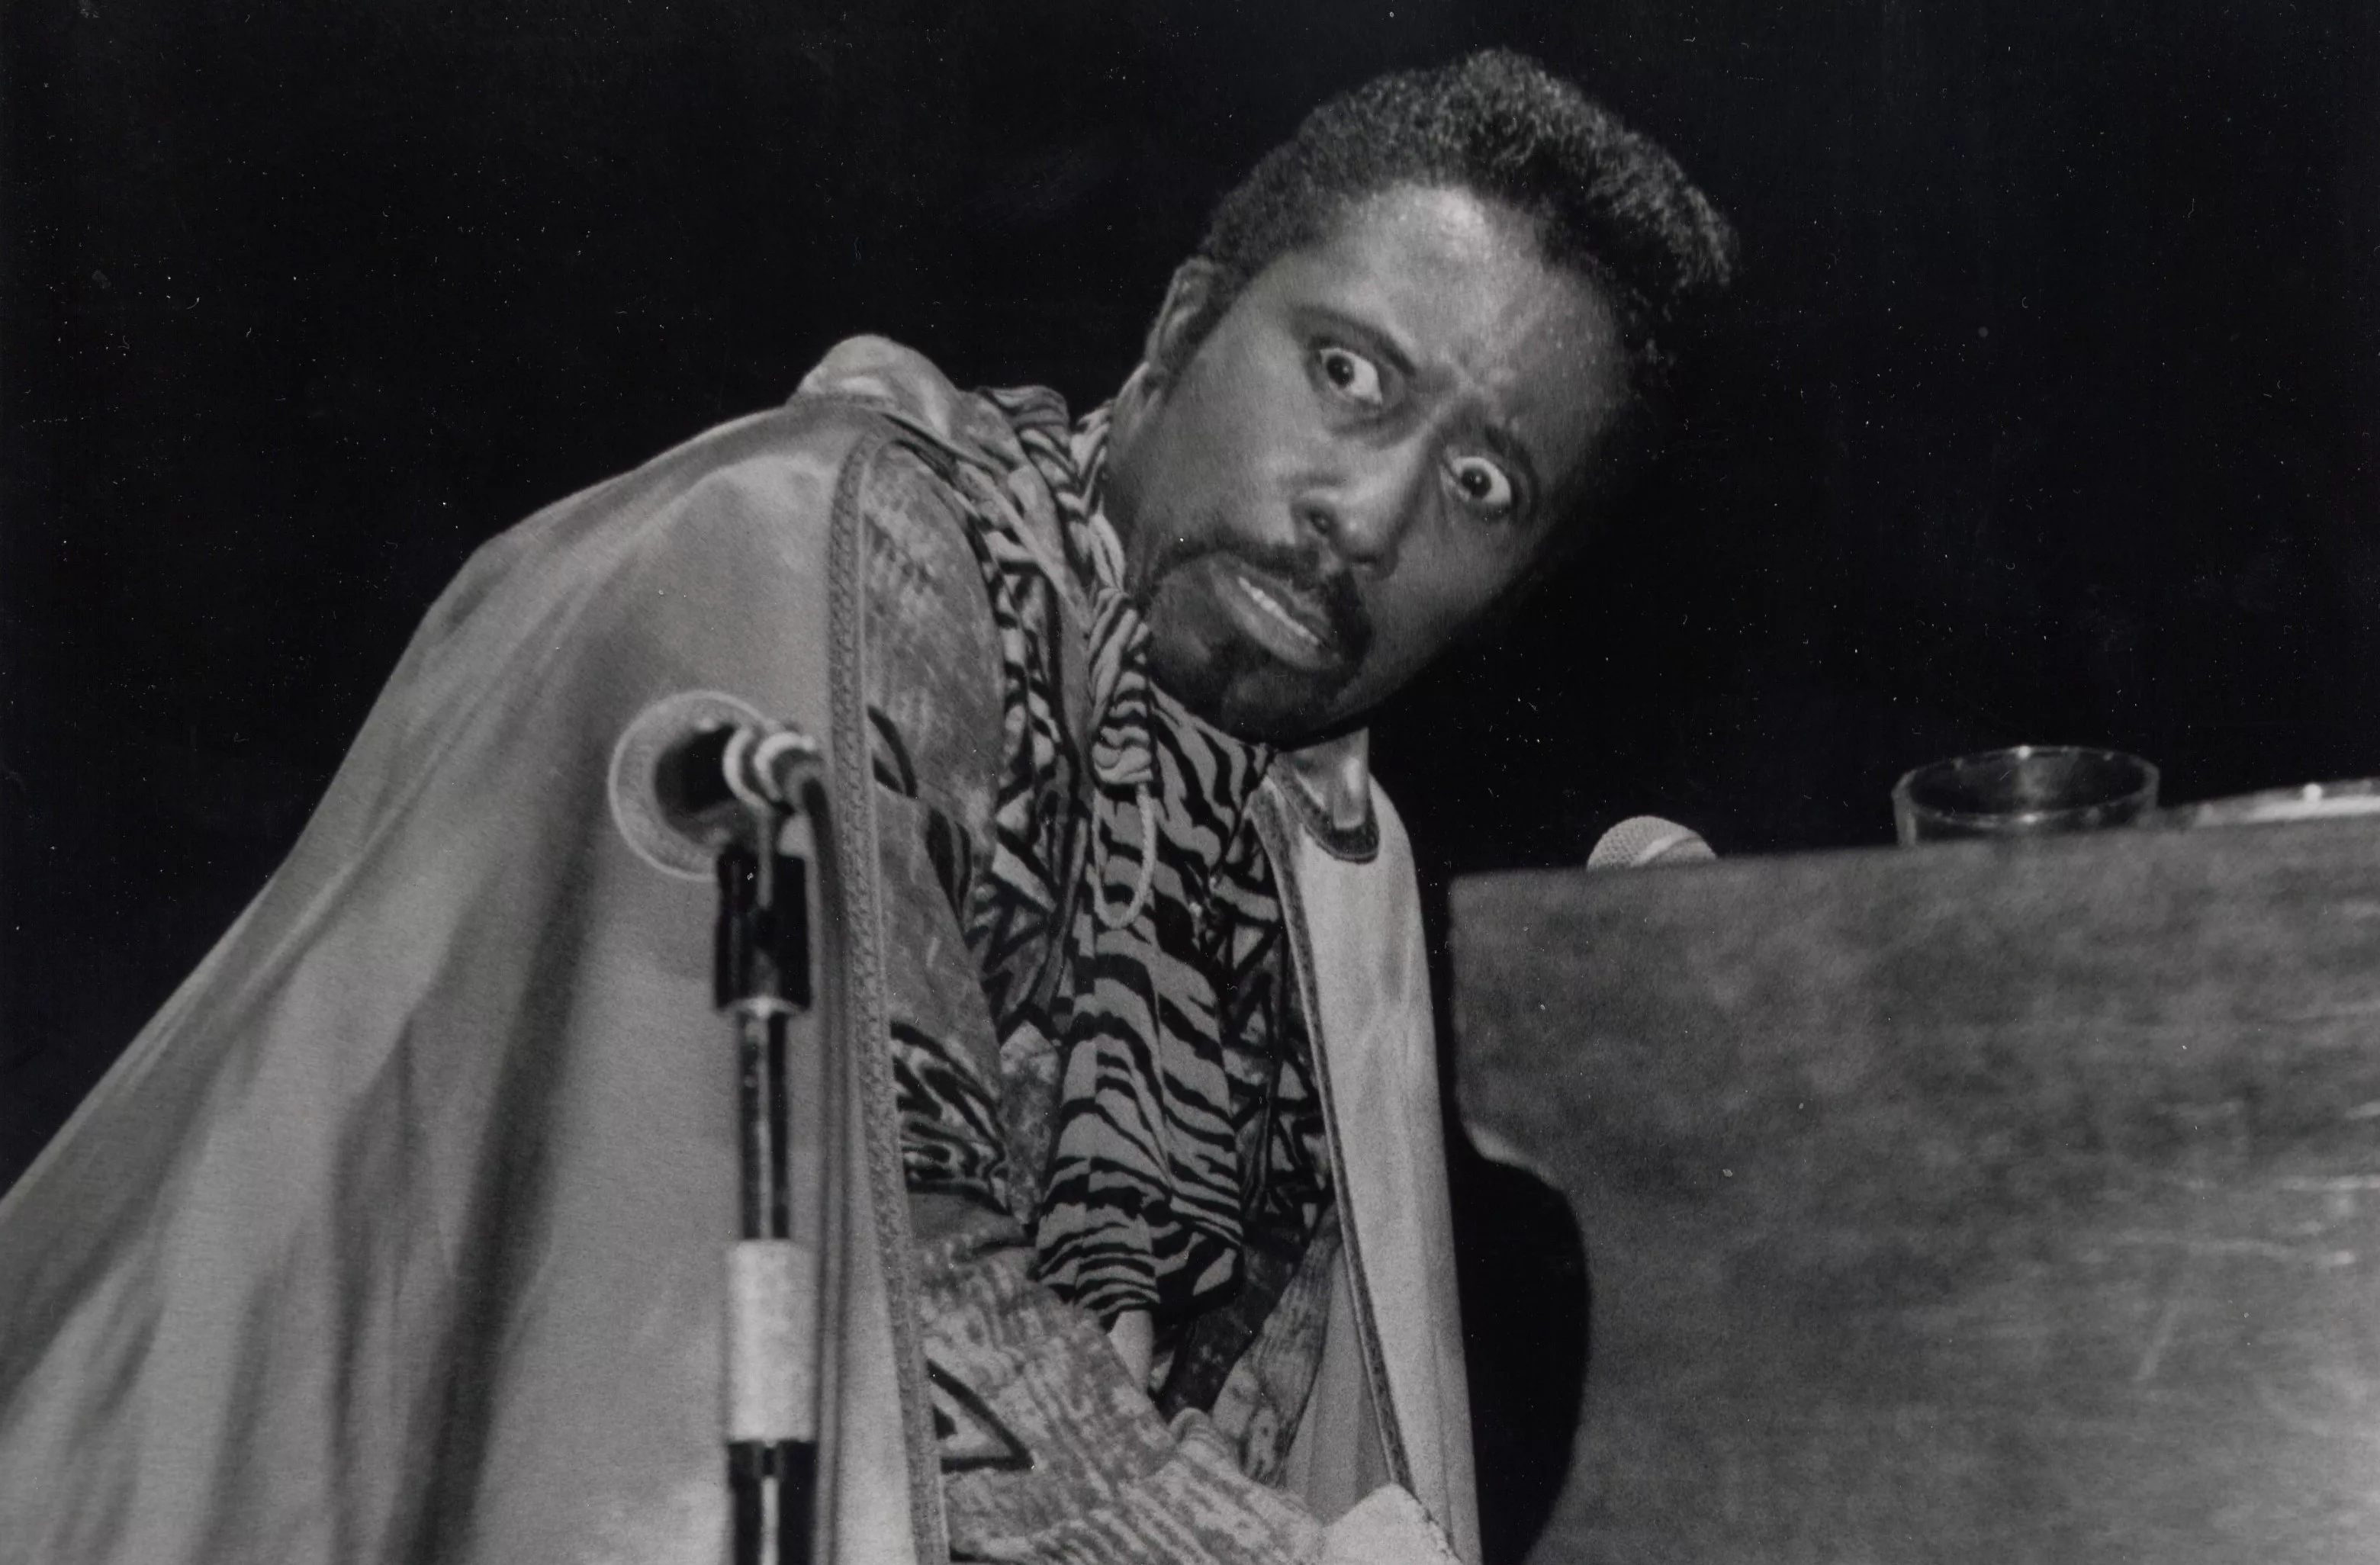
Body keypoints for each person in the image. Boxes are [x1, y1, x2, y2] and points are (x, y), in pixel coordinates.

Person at [0, 49, 1732, 1565]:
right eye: (1348, 373)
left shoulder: (1298, 876)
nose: (1371, 508)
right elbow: (882, 1290)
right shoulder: (833, 550)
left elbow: (1235, 1451)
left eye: (1482, 483)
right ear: (1182, 330)